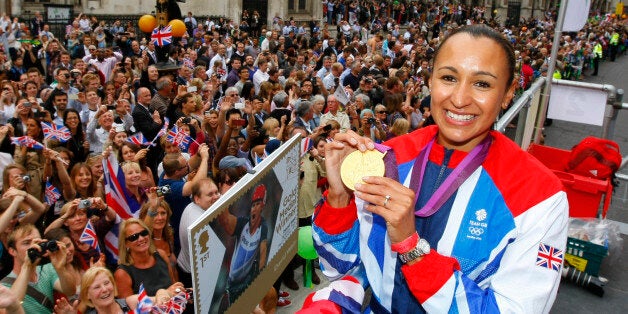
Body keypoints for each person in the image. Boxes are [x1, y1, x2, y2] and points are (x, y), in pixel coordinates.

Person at [312, 25, 568, 313]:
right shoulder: (390, 156)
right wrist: (338, 197)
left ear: (508, 93)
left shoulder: (539, 194)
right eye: (448, 78)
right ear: (430, 81)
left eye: (482, 84)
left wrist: (412, 250)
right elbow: (338, 266)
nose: (459, 99)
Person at [0, 224, 76, 314]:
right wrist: (27, 266)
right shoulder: (4, 286)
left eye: (37, 242)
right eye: (27, 243)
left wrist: (60, 268)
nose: (34, 246)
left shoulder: (46, 269)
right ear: (12, 251)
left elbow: (70, 291)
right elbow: (10, 308)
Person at [218, 184, 269, 304]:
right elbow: (225, 221)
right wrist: (223, 197)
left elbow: (263, 253)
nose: (254, 209)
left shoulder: (263, 227)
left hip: (246, 284)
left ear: (262, 207)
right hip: (231, 285)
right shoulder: (242, 223)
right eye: (253, 205)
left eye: (257, 205)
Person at [177, 178, 221, 287]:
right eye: (210, 195)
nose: (216, 197)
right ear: (197, 199)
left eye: (216, 192)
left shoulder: (193, 206)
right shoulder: (200, 223)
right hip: (194, 277)